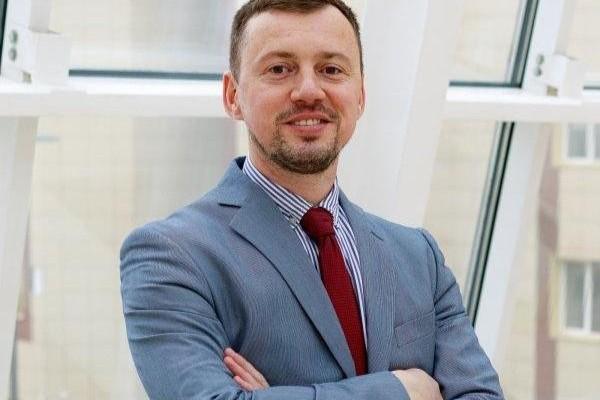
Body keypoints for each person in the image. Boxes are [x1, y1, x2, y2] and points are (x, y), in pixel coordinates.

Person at [120, 1, 504, 399]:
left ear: (360, 95)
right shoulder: (171, 256)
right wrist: (402, 389)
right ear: (233, 96)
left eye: (331, 70)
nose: (308, 91)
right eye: (279, 69)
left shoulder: (418, 257)